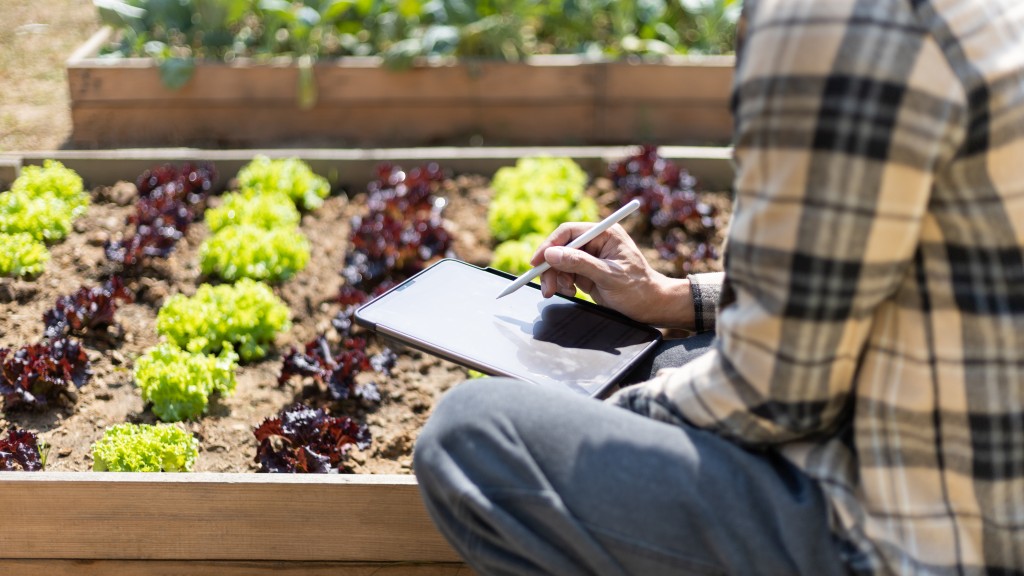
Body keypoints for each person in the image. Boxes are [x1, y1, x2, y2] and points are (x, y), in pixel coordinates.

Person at [413, 0, 1024, 573]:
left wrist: (592, 407)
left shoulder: (834, 20)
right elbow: (862, 269)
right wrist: (670, 300)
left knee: (474, 437)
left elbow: (777, 391)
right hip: (971, 466)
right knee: (671, 355)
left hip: (922, 537)